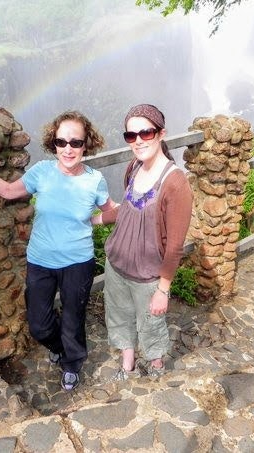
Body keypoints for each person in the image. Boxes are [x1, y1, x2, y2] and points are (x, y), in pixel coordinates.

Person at [0, 111, 118, 391]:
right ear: (53, 143)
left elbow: (112, 211)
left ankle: (71, 362)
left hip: (78, 262)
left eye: (75, 143)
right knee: (39, 324)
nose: (68, 149)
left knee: (73, 319)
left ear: (86, 144)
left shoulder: (95, 180)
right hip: (40, 260)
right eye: (61, 141)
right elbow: (6, 191)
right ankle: (58, 346)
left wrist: (96, 220)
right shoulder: (42, 171)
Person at [98, 104, 193, 380]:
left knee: (151, 324)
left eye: (145, 133)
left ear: (161, 134)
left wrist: (163, 289)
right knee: (119, 316)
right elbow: (127, 208)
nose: (138, 140)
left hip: (148, 275)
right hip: (117, 265)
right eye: (130, 136)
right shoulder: (134, 166)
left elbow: (175, 245)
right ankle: (127, 364)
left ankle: (156, 365)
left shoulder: (175, 183)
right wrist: (95, 220)